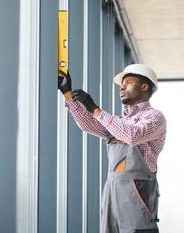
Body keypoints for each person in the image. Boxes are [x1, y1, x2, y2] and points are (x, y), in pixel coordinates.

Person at [58, 64, 167, 233]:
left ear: (144, 87)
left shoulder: (154, 117)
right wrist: (68, 95)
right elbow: (89, 125)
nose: (121, 87)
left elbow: (132, 135)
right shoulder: (118, 121)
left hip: (137, 188)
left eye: (128, 82)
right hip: (112, 187)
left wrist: (95, 108)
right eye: (121, 84)